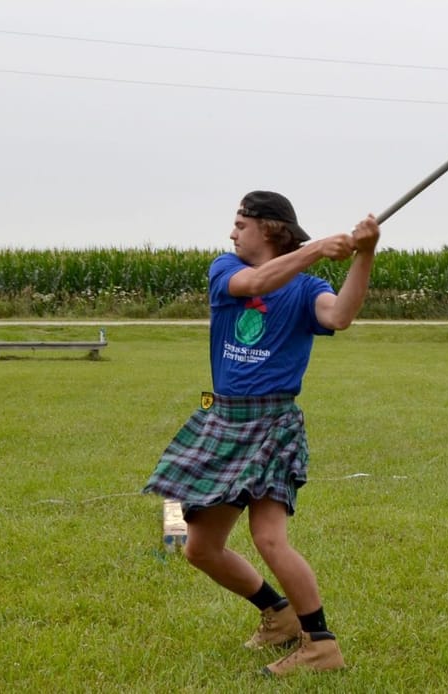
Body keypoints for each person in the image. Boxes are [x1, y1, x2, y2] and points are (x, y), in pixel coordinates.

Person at [144, 191, 380, 677]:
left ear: (269, 229)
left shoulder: (306, 288)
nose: (232, 233)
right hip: (224, 419)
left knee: (268, 537)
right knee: (199, 548)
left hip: (273, 424)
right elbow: (256, 281)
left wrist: (365, 254)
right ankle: (279, 615)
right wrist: (317, 248)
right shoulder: (225, 269)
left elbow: (339, 317)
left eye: (240, 224)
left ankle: (321, 643)